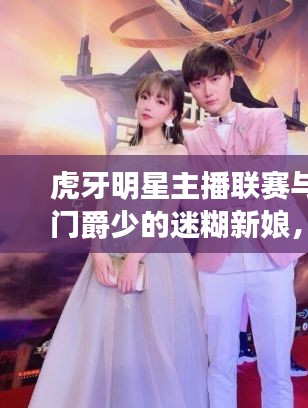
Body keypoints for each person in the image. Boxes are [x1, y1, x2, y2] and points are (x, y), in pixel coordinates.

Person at [29, 72, 208, 408]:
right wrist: (97, 251)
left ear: (172, 113)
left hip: (157, 257)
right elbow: (104, 203)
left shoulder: (176, 152)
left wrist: (134, 258)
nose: (148, 105)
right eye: (145, 97)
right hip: (108, 251)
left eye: (160, 101)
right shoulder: (119, 150)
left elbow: (166, 213)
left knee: (151, 345)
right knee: (99, 343)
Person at [182, 42, 308, 408]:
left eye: (214, 79)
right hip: (217, 261)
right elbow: (194, 198)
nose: (207, 90)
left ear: (230, 78)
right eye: (197, 83)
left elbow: (271, 171)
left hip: (271, 256)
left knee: (276, 367)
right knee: (219, 364)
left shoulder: (268, 119)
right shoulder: (192, 140)